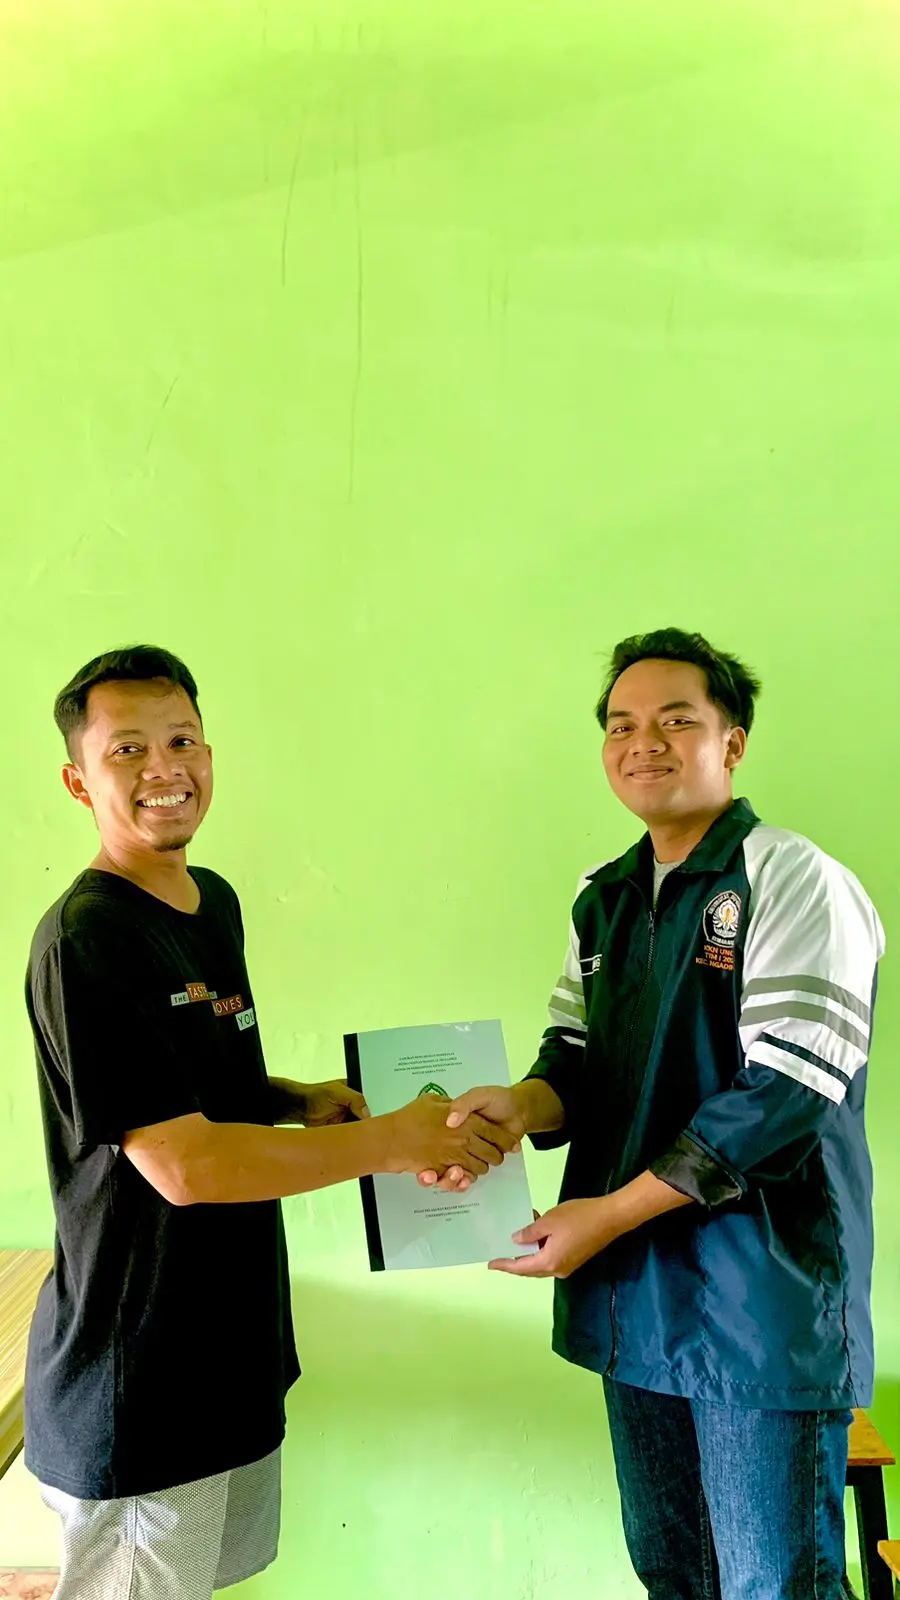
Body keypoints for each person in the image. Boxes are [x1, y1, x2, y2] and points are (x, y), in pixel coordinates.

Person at [24, 645, 516, 1600]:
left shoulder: (210, 904)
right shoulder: (88, 937)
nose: (164, 769)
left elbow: (187, 1086)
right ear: (79, 781)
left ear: (210, 755)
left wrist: (294, 1100)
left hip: (226, 1353)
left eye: (182, 741)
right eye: (128, 750)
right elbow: (185, 1165)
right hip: (140, 1377)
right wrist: (393, 1141)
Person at [433, 628, 884, 1600]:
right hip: (636, 1301)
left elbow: (784, 1096)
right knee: (674, 1573)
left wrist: (603, 1215)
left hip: (760, 1302)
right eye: (622, 724)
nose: (644, 742)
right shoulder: (602, 897)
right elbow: (579, 1059)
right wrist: (518, 1105)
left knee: (775, 1584)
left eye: (677, 720)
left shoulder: (795, 879)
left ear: (733, 742)